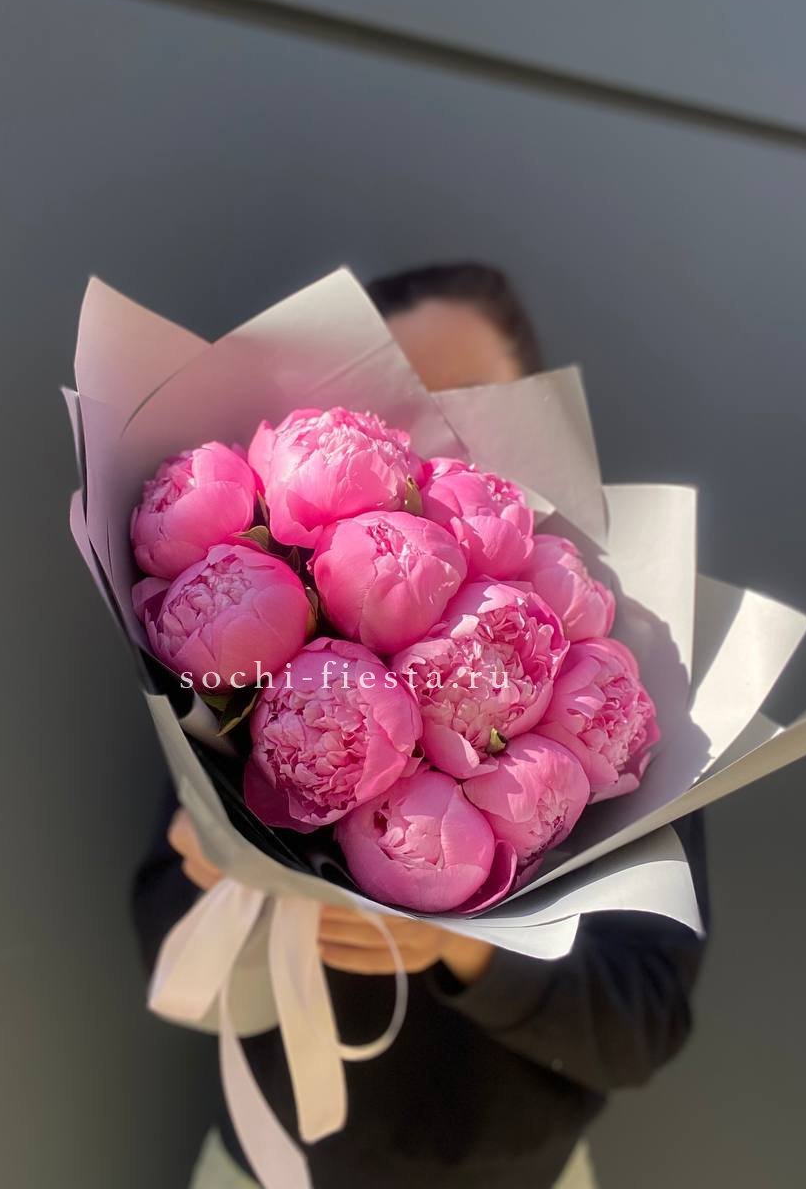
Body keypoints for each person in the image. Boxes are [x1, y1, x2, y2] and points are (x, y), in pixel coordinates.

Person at [133, 262, 709, 1189]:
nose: (436, 440)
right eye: (400, 403)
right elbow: (163, 946)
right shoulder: (258, 675)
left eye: (469, 402)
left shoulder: (620, 694)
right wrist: (233, 882)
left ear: (540, 416)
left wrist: (470, 947)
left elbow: (641, 1023)